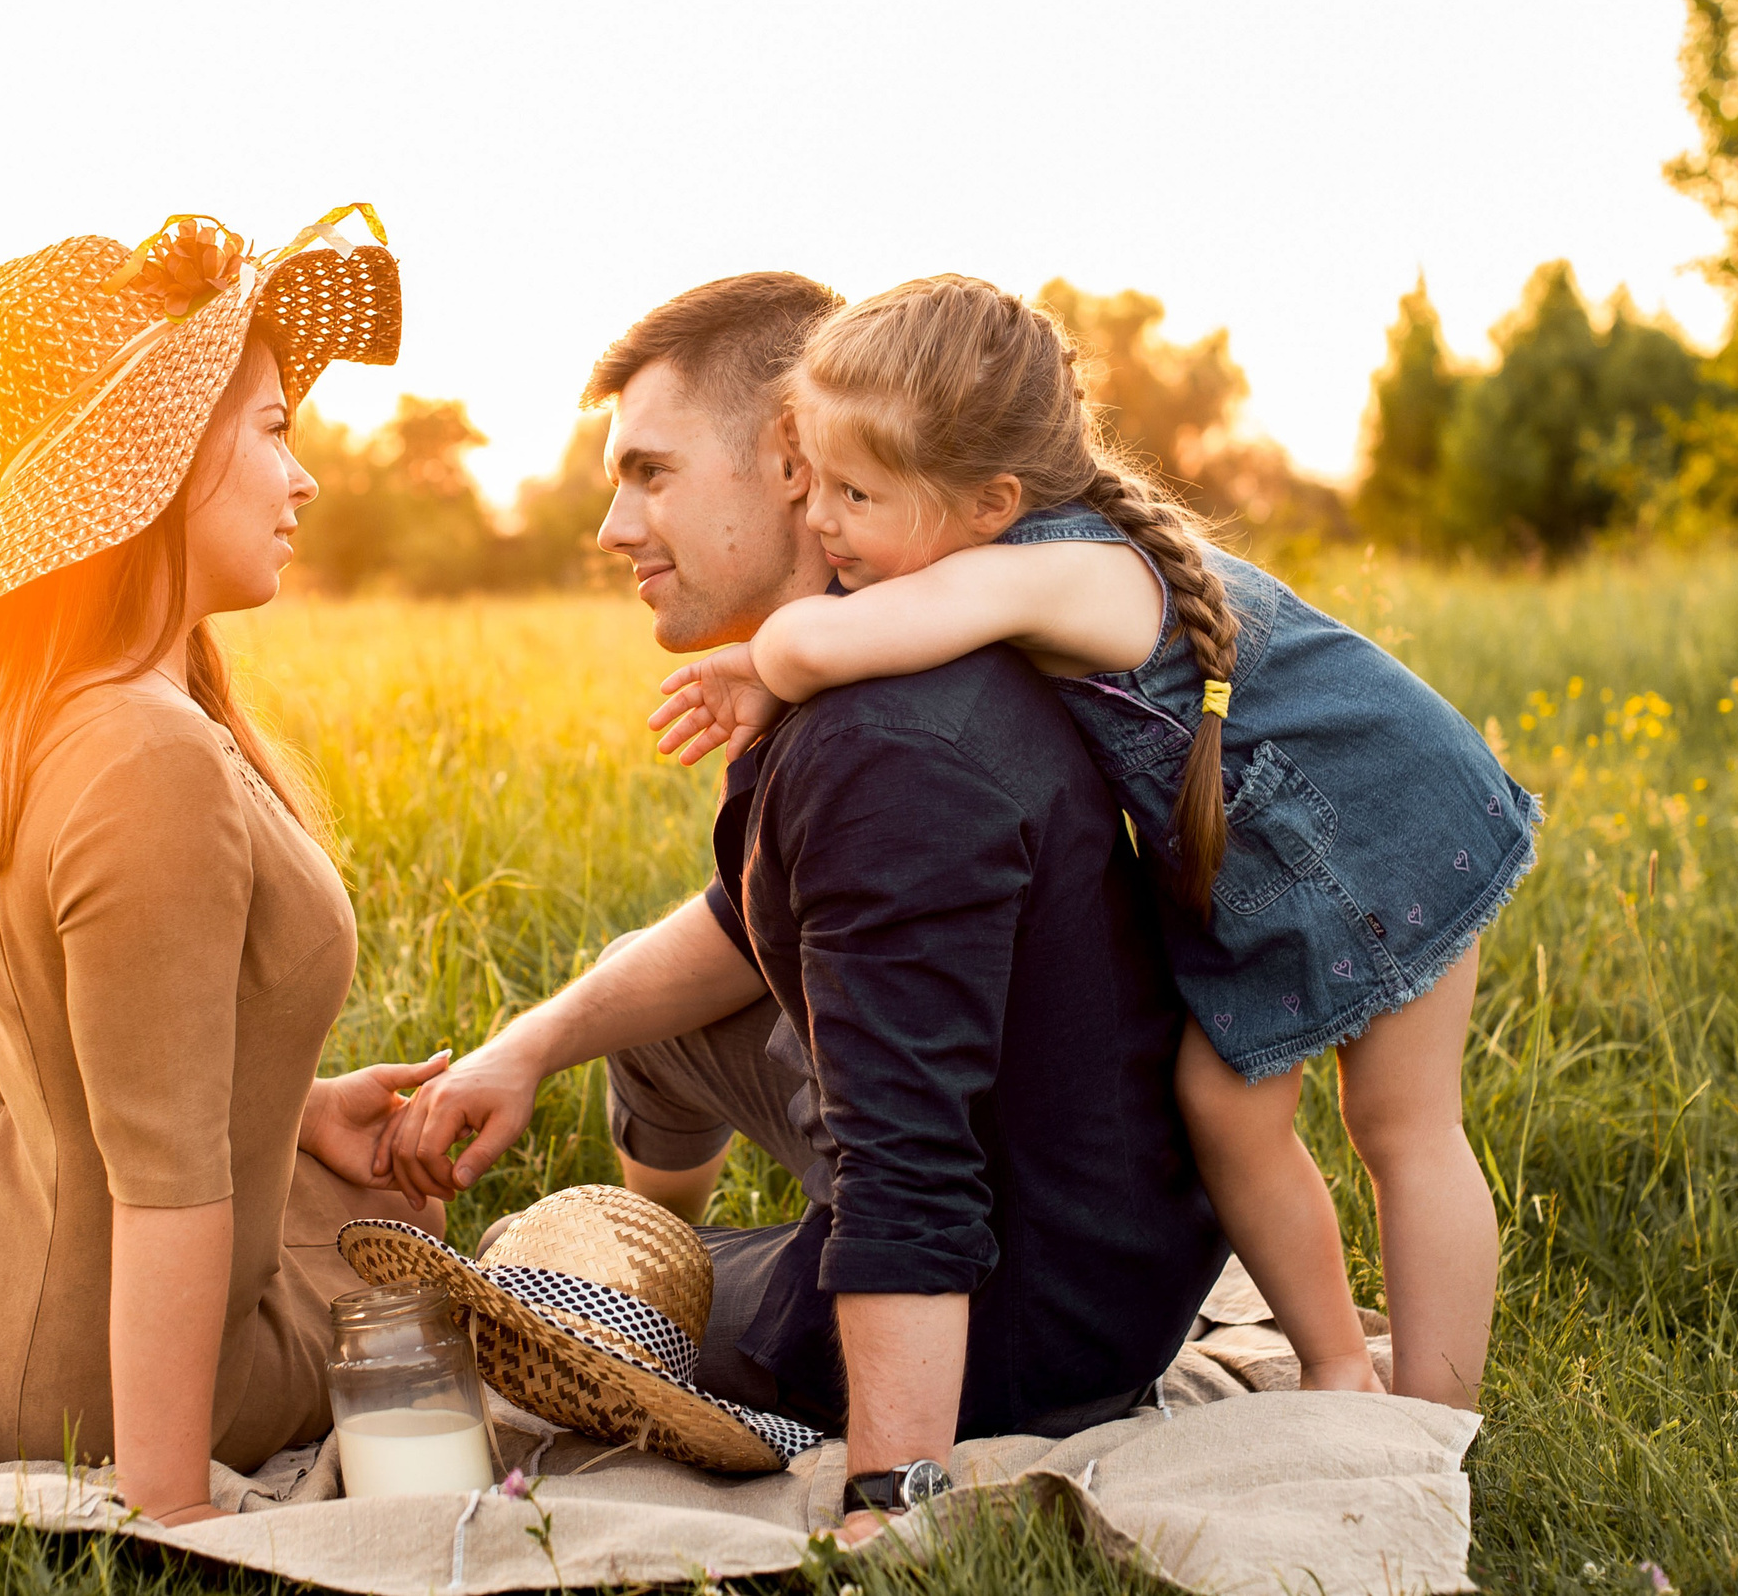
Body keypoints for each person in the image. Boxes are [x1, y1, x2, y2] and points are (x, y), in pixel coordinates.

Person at [375, 272, 1226, 1541]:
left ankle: (698, 1322)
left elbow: (912, 1161)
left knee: (521, 1287)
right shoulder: (862, 658)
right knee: (639, 1010)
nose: (612, 525)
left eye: (650, 473)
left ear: (791, 458)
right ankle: (667, 1259)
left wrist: (888, 1498)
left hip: (1019, 1323)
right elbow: (742, 920)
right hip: (1063, 1205)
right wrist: (528, 1046)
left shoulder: (884, 751)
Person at [651, 275, 1538, 1412]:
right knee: (1222, 1110)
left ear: (992, 501)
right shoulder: (1012, 548)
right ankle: (1335, 1362)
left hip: (1394, 814)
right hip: (1279, 854)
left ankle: (1438, 1411)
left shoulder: (1057, 571)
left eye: (854, 493)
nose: (817, 520)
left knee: (1403, 1125)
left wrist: (759, 660)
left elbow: (848, 637)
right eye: (811, 480)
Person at [0, 208, 451, 1527]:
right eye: (272, 429)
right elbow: (165, 1187)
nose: (303, 478)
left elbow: (81, 1028)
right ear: (165, 454)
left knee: (357, 1179)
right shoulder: (148, 757)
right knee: (422, 1259)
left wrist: (298, 1105)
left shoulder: (31, 705)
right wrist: (174, 1505)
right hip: (93, 1379)